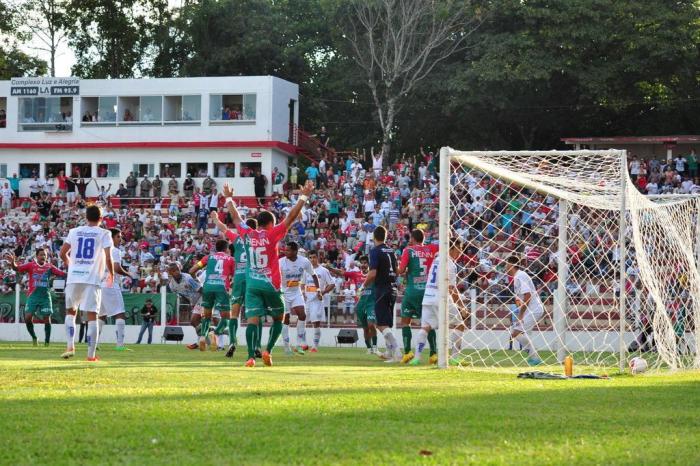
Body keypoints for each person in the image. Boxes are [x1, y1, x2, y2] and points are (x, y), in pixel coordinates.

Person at [222, 179, 314, 367]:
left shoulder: (247, 234)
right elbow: (291, 218)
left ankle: (249, 357)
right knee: (279, 319)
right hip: (271, 284)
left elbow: (236, 218)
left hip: (252, 285)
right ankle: (268, 351)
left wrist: (229, 199)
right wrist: (304, 196)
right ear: (271, 224)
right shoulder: (273, 234)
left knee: (253, 321)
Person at [59, 205, 114, 361]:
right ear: (101, 218)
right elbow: (109, 257)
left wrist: (72, 265)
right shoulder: (105, 233)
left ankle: (70, 346)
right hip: (91, 279)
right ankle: (91, 356)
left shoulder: (74, 232)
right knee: (92, 316)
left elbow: (63, 253)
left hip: (74, 278)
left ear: (86, 217)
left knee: (71, 312)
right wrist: (111, 273)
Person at [210, 214, 261, 358]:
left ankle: (232, 342)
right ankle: (256, 345)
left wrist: (215, 218)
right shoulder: (260, 240)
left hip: (238, 277)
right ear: (256, 228)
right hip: (253, 277)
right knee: (256, 314)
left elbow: (224, 229)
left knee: (234, 313)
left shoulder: (238, 239)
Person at [410, 237, 466, 365]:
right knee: (460, 324)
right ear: (452, 248)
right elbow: (452, 289)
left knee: (425, 328)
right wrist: (462, 306)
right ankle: (454, 357)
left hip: (428, 297)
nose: (460, 252)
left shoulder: (437, 259)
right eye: (459, 249)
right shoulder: (450, 264)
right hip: (440, 298)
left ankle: (416, 358)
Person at [5, 249, 66, 346]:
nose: (43, 257)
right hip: (33, 295)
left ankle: (47, 343)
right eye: (41, 255)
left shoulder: (49, 267)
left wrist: (73, 270)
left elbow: (62, 274)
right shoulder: (31, 265)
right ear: (37, 256)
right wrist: (13, 263)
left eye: (45, 255)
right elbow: (17, 268)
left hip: (45, 296)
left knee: (47, 318)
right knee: (28, 318)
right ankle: (34, 337)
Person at [397, 229, 439, 363]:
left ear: (413, 239)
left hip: (412, 291)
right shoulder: (431, 249)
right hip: (427, 292)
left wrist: (396, 267)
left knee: (405, 322)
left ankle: (408, 352)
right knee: (428, 323)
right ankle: (433, 354)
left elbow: (401, 270)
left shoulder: (408, 250)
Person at [361, 225, 401, 362]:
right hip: (393, 288)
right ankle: (389, 351)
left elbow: (372, 273)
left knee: (380, 324)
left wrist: (363, 285)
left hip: (382, 289)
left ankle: (396, 352)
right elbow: (397, 271)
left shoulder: (375, 251)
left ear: (373, 237)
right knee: (385, 323)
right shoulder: (391, 251)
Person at [189, 239, 235, 351]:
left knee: (207, 315)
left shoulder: (208, 258)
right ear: (226, 249)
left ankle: (203, 337)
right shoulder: (231, 259)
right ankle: (215, 333)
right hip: (222, 287)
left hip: (208, 287)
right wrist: (231, 285)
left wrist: (197, 279)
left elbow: (192, 270)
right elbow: (235, 277)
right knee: (226, 317)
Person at [279, 241, 318, 355]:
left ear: (295, 251)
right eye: (285, 249)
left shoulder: (304, 261)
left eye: (288, 250)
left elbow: (314, 275)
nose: (285, 251)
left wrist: (319, 290)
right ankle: (287, 348)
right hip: (283, 293)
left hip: (296, 292)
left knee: (302, 315)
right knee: (286, 319)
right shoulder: (281, 262)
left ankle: (299, 344)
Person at [505, 254, 544, 366]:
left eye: (507, 264)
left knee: (515, 332)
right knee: (516, 333)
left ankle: (534, 358)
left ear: (511, 264)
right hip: (531, 310)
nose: (505, 267)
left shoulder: (520, 276)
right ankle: (534, 357)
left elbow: (528, 296)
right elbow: (522, 298)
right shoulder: (517, 277)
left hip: (534, 309)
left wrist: (521, 314)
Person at [98, 229, 131, 351]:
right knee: (120, 313)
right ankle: (120, 345)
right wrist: (129, 274)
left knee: (101, 315)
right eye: (118, 237)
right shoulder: (115, 250)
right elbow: (116, 268)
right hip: (111, 284)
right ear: (111, 238)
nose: (120, 239)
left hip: (100, 285)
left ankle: (95, 344)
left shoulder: (101, 251)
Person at [166, 262, 203, 350]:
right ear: (170, 273)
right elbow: (182, 294)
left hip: (202, 297)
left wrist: (208, 301)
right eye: (174, 271)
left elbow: (201, 289)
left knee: (194, 321)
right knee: (196, 323)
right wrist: (191, 304)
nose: (177, 272)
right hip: (194, 302)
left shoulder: (187, 278)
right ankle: (202, 341)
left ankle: (201, 341)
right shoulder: (172, 285)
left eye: (178, 270)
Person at [305, 250, 335, 352]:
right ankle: (302, 343)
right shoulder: (306, 270)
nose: (312, 259)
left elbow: (332, 284)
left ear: (318, 258)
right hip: (306, 300)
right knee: (301, 321)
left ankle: (314, 346)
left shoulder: (323, 271)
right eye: (310, 257)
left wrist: (323, 292)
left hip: (317, 301)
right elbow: (302, 284)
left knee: (315, 323)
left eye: (314, 257)